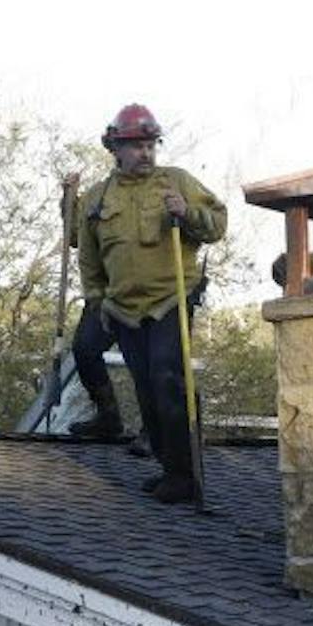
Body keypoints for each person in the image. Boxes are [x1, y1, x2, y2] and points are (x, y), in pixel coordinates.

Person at [76, 104, 228, 503]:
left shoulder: (175, 181)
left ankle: (184, 475)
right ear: (116, 148)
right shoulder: (95, 199)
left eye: (150, 144)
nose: (146, 152)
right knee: (145, 387)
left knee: (166, 378)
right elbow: (89, 260)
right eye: (136, 145)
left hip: (171, 297)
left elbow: (218, 224)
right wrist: (97, 303)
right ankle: (168, 468)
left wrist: (188, 212)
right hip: (123, 308)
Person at [58, 173, 125, 441]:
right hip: (103, 292)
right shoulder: (97, 197)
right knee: (85, 349)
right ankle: (108, 417)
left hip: (146, 294)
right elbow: (75, 237)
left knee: (148, 363)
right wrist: (69, 200)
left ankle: (154, 432)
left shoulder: (155, 193)